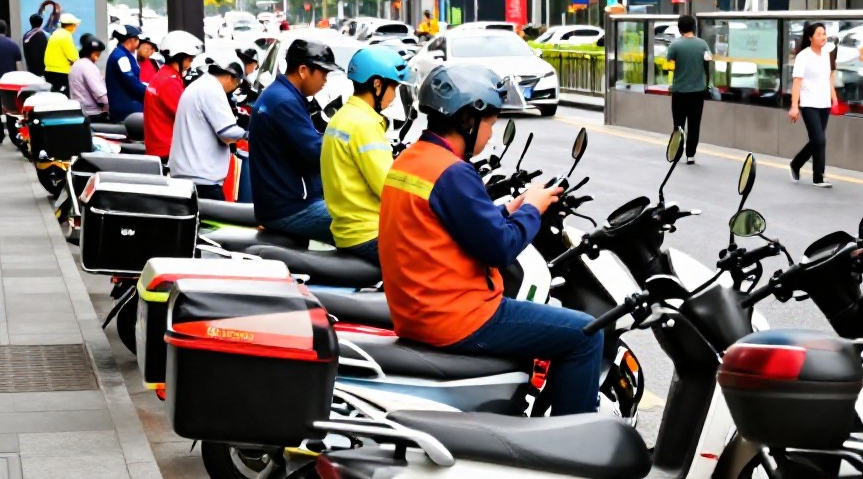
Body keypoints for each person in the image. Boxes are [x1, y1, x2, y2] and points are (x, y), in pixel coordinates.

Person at [380, 65, 601, 415]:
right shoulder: (453, 172)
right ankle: (577, 450)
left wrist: (507, 210)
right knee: (585, 334)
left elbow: (452, 225)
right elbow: (500, 248)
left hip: (418, 311)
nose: (491, 134)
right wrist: (532, 208)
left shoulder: (413, 160)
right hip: (458, 316)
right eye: (491, 123)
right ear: (468, 119)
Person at [321, 45, 409, 264]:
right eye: (394, 87)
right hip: (370, 234)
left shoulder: (342, 117)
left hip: (348, 232)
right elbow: (389, 189)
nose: (395, 96)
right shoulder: (364, 125)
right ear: (377, 84)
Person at [248, 38, 340, 243]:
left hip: (277, 203)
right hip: (291, 207)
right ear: (303, 70)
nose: (325, 80)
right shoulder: (285, 102)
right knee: (361, 222)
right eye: (323, 73)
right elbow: (317, 153)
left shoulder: (278, 94)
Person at [170, 52, 249, 201]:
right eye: (237, 83)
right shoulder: (212, 89)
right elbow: (227, 133)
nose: (235, 87)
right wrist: (250, 134)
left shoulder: (201, 85)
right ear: (230, 77)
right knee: (218, 224)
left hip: (189, 174)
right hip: (202, 180)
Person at [143, 31, 203, 162]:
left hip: (159, 146)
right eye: (189, 59)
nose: (190, 64)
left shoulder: (162, 75)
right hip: (168, 149)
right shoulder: (170, 82)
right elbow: (189, 115)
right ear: (178, 57)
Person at [788, 21, 835, 188]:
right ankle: (818, 176)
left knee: (817, 140)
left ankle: (796, 163)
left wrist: (834, 97)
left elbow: (829, 77)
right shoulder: (804, 56)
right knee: (820, 139)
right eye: (819, 34)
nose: (823, 37)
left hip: (824, 103)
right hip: (809, 104)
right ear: (810, 38)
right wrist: (794, 106)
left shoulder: (828, 53)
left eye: (824, 33)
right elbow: (797, 82)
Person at [665, 14, 712, 165]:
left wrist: (671, 85)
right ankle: (690, 155)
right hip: (698, 92)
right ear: (694, 27)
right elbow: (707, 65)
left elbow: (669, 68)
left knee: (678, 124)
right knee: (694, 124)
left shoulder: (675, 46)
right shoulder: (703, 45)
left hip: (679, 91)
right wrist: (706, 84)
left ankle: (677, 151)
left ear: (679, 29)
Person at [106, 24, 147, 122]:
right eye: (137, 39)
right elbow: (131, 82)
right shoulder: (121, 57)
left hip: (129, 106)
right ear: (131, 40)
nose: (139, 42)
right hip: (127, 109)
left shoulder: (124, 54)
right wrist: (150, 92)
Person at [69, 38, 109, 120]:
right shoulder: (89, 67)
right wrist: (109, 106)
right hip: (94, 113)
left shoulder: (76, 64)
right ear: (94, 54)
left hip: (80, 110)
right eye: (98, 54)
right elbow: (99, 93)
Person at [43, 13, 81, 94]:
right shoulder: (66, 36)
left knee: (54, 96)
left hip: (49, 71)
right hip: (61, 73)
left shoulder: (55, 34)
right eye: (76, 25)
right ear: (71, 26)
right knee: (63, 99)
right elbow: (73, 57)